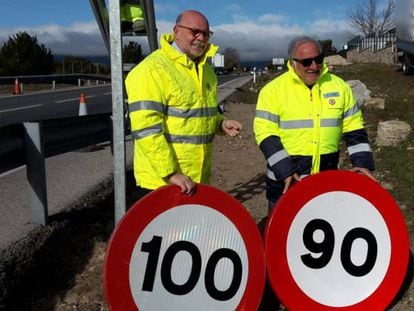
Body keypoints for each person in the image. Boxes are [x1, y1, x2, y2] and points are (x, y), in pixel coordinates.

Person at [125, 10, 242, 199]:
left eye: (205, 34)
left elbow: (198, 116)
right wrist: (170, 173)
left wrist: (220, 124)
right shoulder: (152, 70)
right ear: (176, 31)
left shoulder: (206, 71)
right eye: (194, 31)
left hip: (196, 179)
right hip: (161, 183)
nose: (201, 38)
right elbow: (146, 129)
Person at [254, 36, 375, 213]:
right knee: (280, 235)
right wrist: (285, 170)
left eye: (318, 59)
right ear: (293, 62)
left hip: (327, 181)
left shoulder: (339, 87)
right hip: (286, 181)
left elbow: (353, 126)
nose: (314, 66)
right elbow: (264, 132)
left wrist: (363, 162)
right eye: (306, 62)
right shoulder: (272, 91)